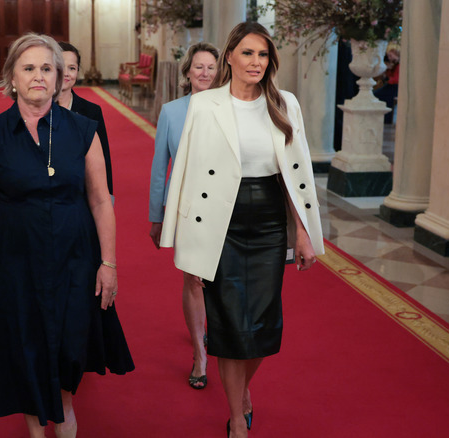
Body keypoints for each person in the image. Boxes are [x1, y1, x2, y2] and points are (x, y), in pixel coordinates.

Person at [160, 22, 324, 438]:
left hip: (268, 219)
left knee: (264, 325)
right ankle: (237, 417)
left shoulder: (285, 103)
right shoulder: (205, 104)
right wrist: (183, 242)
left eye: (263, 55)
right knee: (230, 324)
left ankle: (242, 390)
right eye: (247, 53)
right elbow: (187, 173)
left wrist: (302, 232)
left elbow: (296, 174)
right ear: (229, 56)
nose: (255, 62)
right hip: (219, 221)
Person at [0, 33, 134, 438]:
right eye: (28, 68)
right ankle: (40, 430)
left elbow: (100, 201)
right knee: (27, 351)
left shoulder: (83, 129)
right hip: (15, 265)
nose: (38, 76)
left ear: (59, 77)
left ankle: (65, 417)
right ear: (12, 78)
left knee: (68, 350)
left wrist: (108, 263)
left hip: (75, 262)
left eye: (46, 68)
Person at [148, 42, 219, 390]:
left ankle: (219, 336)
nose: (205, 73)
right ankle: (199, 355)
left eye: (211, 67)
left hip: (226, 210)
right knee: (193, 280)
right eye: (199, 67)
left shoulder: (233, 109)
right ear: (187, 72)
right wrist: (156, 215)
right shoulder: (171, 112)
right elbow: (161, 167)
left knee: (220, 281)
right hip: (187, 209)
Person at [57, 42, 114, 197]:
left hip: (82, 195)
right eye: (61, 67)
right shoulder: (37, 110)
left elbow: (104, 161)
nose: (67, 73)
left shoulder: (92, 111)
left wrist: (107, 196)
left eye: (72, 68)